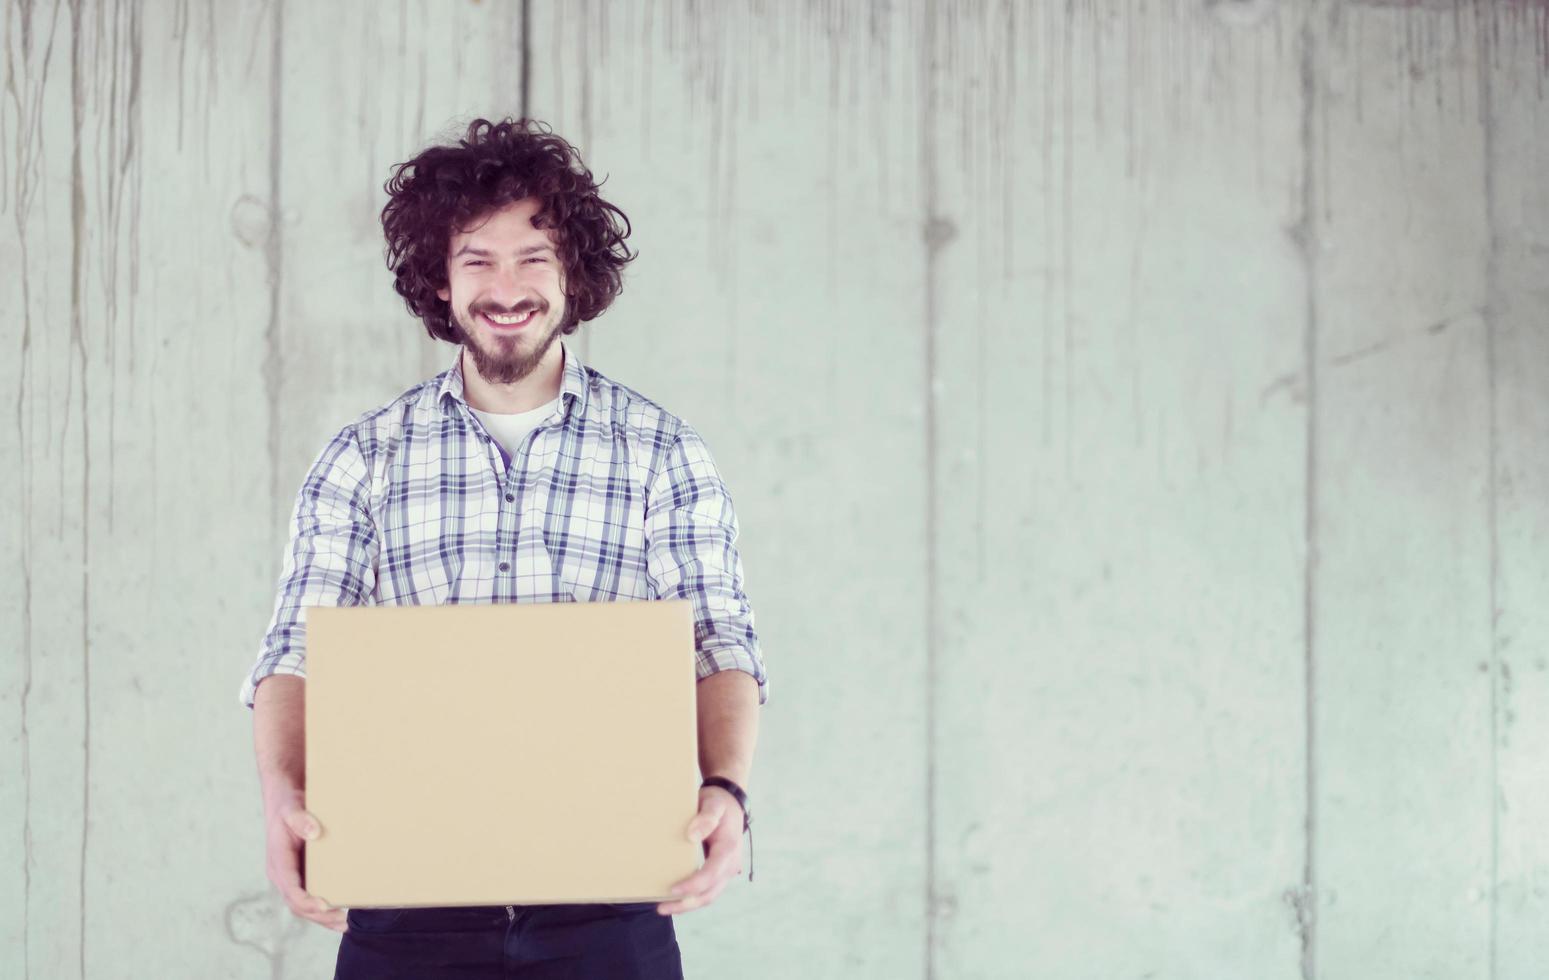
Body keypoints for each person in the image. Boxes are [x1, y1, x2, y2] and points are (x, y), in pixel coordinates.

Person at [238, 117, 768, 979]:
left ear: (572, 276)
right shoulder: (362, 457)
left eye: (533, 257)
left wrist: (728, 789)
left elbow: (720, 643)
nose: (506, 286)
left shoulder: (660, 452)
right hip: (406, 901)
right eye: (476, 259)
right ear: (440, 283)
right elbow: (295, 654)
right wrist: (280, 799)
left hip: (607, 903)